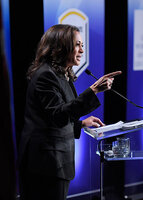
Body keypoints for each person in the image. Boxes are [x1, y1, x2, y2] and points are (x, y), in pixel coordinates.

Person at [18, 24, 122, 200]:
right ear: (60, 47)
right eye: (77, 45)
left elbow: (53, 116)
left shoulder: (61, 74)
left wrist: (81, 124)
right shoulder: (46, 75)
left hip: (54, 162)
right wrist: (94, 91)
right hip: (45, 164)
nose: (82, 50)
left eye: (82, 44)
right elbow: (57, 116)